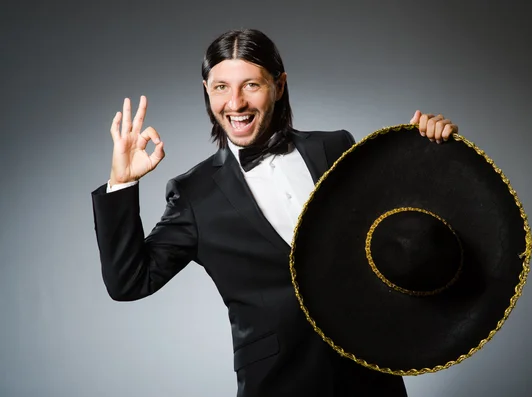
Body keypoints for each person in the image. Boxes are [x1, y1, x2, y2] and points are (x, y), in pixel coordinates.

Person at [91, 28, 458, 397]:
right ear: (207, 90)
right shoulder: (194, 195)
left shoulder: (336, 147)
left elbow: (397, 230)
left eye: (251, 85)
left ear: (279, 86)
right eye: (221, 87)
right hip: (277, 383)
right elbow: (129, 282)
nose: (235, 103)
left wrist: (425, 150)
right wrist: (121, 182)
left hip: (369, 375)